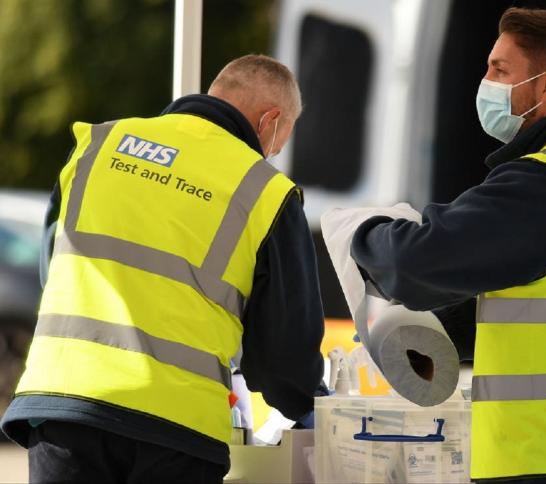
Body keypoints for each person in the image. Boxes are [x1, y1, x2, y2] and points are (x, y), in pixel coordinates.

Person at [348, 7, 546, 484]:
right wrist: (439, 333)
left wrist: (362, 232)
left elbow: (413, 263)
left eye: (500, 70)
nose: (485, 82)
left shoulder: (540, 185)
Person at [1, 54, 326, 483]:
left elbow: (54, 268)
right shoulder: (265, 190)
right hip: (176, 427)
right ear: (270, 121)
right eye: (278, 145)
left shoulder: (98, 145)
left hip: (66, 401)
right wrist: (308, 406)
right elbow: (284, 353)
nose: (272, 154)